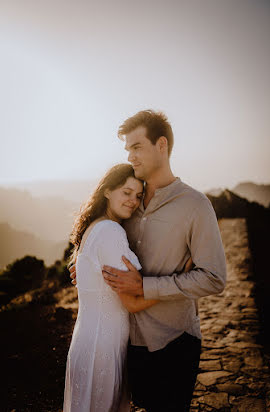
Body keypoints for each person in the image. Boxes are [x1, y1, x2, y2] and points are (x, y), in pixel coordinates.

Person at [70, 110, 226, 412]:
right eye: (127, 149)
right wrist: (85, 266)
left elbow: (215, 277)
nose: (130, 156)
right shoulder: (128, 202)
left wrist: (148, 287)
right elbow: (102, 239)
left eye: (136, 147)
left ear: (162, 145)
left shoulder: (195, 205)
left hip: (174, 341)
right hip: (130, 343)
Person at [63, 164, 161, 412]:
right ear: (107, 191)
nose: (133, 201)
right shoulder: (110, 231)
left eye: (138, 196)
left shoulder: (95, 227)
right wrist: (178, 286)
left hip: (90, 341)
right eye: (126, 193)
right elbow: (132, 302)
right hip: (101, 347)